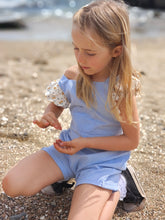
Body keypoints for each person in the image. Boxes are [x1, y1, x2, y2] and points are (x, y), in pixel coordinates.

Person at [2, 0, 145, 219]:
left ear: (115, 51)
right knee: (11, 185)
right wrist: (50, 114)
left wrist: (85, 143)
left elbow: (131, 141)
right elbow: (61, 98)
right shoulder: (73, 75)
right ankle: (62, 177)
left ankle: (120, 184)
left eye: (89, 52)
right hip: (68, 152)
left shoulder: (120, 89)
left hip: (102, 162)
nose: (80, 58)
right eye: (76, 48)